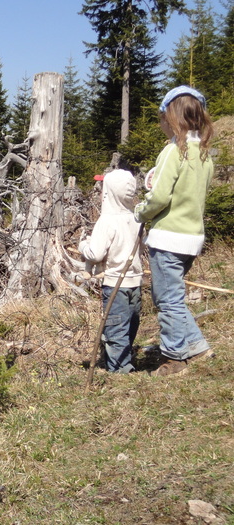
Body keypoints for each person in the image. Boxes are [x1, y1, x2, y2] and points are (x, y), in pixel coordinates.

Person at [134, 85, 215, 377]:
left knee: (166, 300)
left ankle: (174, 357)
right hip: (192, 237)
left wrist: (140, 212)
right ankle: (199, 347)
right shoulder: (204, 155)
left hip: (168, 237)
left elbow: (159, 197)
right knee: (174, 297)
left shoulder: (173, 151)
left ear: (171, 117)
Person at [80, 169, 143, 373]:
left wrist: (83, 246)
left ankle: (120, 369)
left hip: (115, 283)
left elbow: (96, 254)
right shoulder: (136, 218)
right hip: (135, 282)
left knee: (115, 327)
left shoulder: (106, 221)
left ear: (108, 193)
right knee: (130, 324)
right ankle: (125, 359)